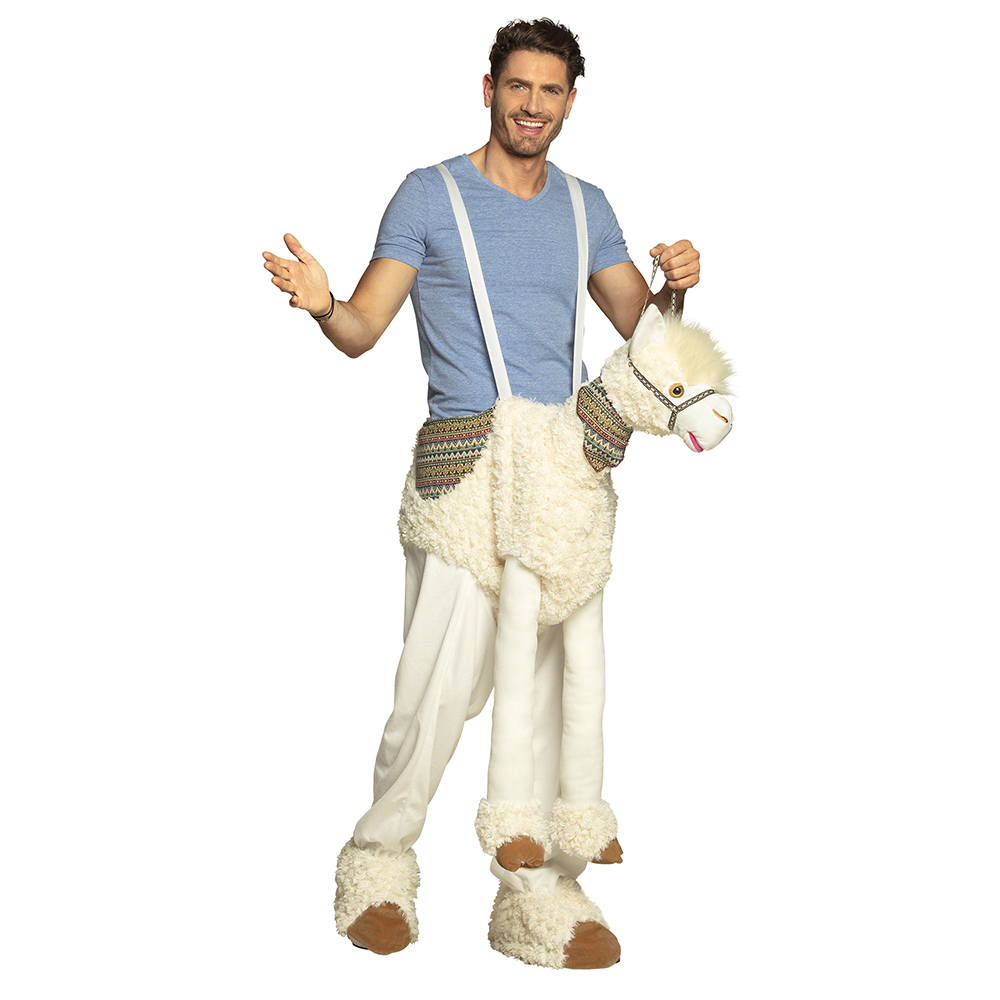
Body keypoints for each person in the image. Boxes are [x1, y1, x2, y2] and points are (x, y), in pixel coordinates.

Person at [262, 18, 701, 969]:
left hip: (562, 483)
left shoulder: (587, 207)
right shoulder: (429, 195)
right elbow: (363, 329)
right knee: (437, 688)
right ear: (489, 88)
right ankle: (378, 863)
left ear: (571, 100)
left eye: (551, 90)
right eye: (518, 86)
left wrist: (674, 291)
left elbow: (645, 336)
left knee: (548, 696)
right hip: (463, 480)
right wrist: (324, 303)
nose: (532, 106)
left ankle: (535, 899)